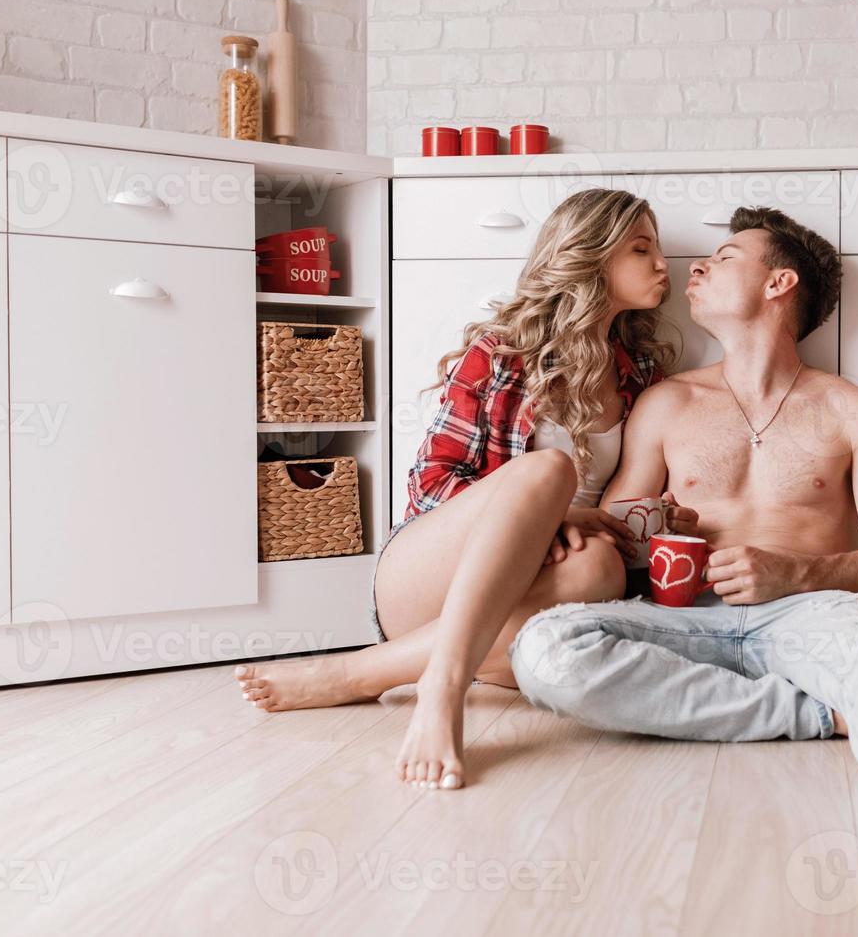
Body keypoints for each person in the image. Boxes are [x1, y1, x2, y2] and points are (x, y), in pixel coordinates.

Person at [507, 207, 858, 870]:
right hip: (679, 617)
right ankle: (818, 713)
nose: (694, 266)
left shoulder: (854, 411)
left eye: (724, 259)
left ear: (779, 284)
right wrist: (658, 528)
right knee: (547, 648)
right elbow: (619, 535)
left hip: (814, 613)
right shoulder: (666, 403)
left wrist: (798, 575)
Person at [234, 189, 698, 791]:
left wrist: (660, 522)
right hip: (427, 579)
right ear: (592, 257)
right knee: (549, 472)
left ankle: (359, 674)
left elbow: (617, 517)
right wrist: (550, 514)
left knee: (603, 573)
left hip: (530, 598)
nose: (664, 265)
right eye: (642, 250)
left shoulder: (643, 377)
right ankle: (443, 686)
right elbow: (430, 487)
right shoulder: (503, 352)